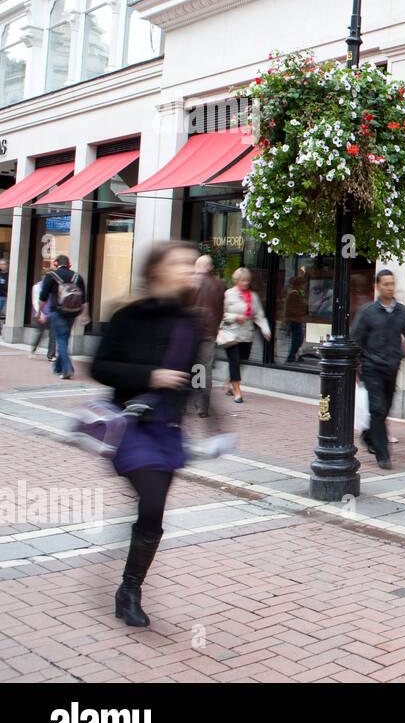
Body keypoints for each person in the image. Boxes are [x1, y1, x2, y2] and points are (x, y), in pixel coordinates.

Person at [91, 241, 203, 627]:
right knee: (152, 499)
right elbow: (100, 368)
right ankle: (131, 589)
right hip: (130, 423)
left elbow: (194, 376)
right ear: (157, 269)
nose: (189, 269)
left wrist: (210, 422)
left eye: (191, 263)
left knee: (152, 512)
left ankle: (128, 589)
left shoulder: (191, 322)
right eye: (180, 263)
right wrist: (150, 376)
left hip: (168, 429)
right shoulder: (127, 316)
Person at [351, 269, 405, 470]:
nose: (390, 287)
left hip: (391, 367)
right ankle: (383, 454)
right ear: (377, 287)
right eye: (386, 284)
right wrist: (356, 367)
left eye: (392, 283)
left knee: (385, 409)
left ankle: (369, 435)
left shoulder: (402, 312)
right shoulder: (367, 312)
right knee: (377, 409)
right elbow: (355, 340)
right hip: (371, 367)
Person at [218, 267, 270, 404]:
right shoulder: (229, 294)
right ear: (237, 280)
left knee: (241, 361)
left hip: (246, 334)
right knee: (234, 362)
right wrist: (235, 316)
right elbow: (221, 314)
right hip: (231, 334)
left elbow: (259, 315)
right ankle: (237, 391)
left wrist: (265, 330)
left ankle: (229, 381)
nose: (246, 283)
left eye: (248, 280)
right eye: (243, 280)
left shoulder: (253, 296)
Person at [39, 254, 86, 380]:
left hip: (57, 311)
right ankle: (57, 367)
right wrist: (85, 315)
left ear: (56, 263)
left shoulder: (51, 276)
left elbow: (43, 296)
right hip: (73, 312)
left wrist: (40, 311)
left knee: (60, 339)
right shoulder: (77, 277)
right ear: (69, 263)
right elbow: (84, 299)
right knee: (64, 338)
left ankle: (67, 369)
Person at [191, 255, 225, 418]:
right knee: (204, 368)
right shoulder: (219, 285)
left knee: (189, 366)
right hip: (210, 332)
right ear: (210, 267)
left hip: (191, 332)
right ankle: (202, 406)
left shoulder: (190, 282)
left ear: (198, 265)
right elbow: (220, 311)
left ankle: (186, 403)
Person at [283, 271, 308, 363]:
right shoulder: (294, 294)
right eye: (303, 284)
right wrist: (303, 309)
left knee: (297, 338)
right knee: (298, 338)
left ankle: (294, 355)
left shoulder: (297, 293)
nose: (304, 286)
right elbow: (293, 308)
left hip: (296, 319)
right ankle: (291, 356)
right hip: (294, 320)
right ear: (299, 285)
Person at [29, 279, 55, 361]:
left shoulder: (54, 286)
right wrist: (41, 314)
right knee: (40, 333)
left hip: (52, 313)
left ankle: (51, 355)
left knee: (53, 334)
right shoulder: (37, 286)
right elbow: (35, 301)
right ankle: (33, 350)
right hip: (41, 313)